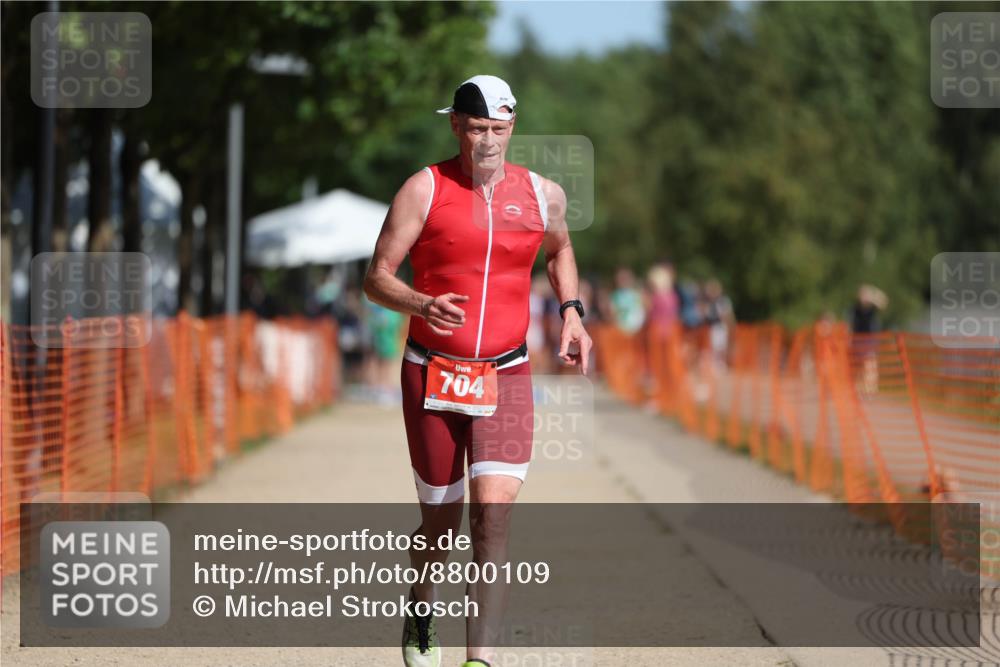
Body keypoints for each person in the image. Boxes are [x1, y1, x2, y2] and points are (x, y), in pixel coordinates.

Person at [363, 74, 592, 667]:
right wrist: (419, 303)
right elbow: (377, 276)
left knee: (492, 519)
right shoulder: (424, 188)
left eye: (497, 129)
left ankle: (478, 660)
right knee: (440, 524)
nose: (486, 142)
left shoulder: (543, 195)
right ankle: (420, 600)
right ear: (454, 126)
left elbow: (560, 248)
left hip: (508, 373)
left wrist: (571, 313)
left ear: (512, 127)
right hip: (432, 370)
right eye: (474, 130)